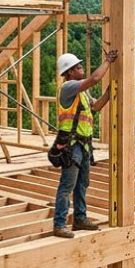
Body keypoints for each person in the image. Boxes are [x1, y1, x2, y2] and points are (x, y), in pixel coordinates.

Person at [51, 48, 119, 238]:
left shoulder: (82, 93)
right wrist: (108, 61)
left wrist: (111, 90)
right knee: (67, 185)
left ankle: (80, 219)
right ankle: (59, 224)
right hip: (72, 146)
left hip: (84, 145)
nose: (82, 69)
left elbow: (96, 106)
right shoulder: (68, 87)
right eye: (78, 67)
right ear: (70, 72)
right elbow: (94, 79)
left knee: (82, 184)